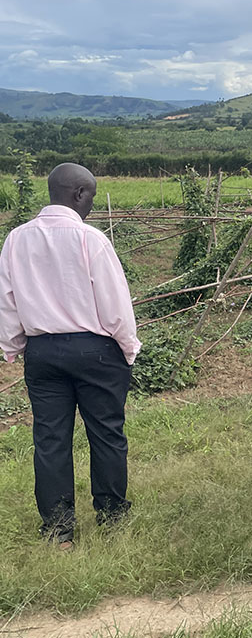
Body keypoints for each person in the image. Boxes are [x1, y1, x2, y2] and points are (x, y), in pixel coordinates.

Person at [0, 163, 139, 550]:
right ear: (79, 194)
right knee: (107, 433)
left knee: (50, 438)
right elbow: (115, 304)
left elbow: (7, 301)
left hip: (43, 352)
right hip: (96, 351)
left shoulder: (16, 239)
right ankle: (112, 519)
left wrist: (14, 346)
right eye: (91, 196)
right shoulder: (90, 239)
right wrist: (128, 348)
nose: (92, 205)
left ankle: (59, 530)